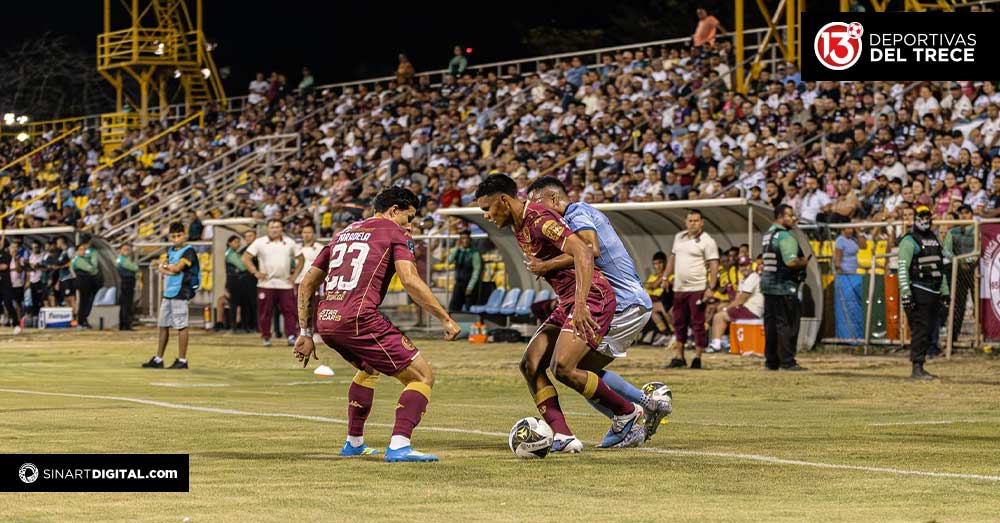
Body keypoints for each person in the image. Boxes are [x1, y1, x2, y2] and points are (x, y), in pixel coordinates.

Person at [476, 173, 644, 452]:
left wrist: (579, 304)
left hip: (591, 296)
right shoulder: (518, 227)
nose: (486, 216)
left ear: (504, 201)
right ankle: (563, 436)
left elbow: (585, 252)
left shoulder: (540, 218)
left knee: (563, 368)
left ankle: (627, 412)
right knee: (530, 364)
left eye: (487, 208)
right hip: (568, 300)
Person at [294, 187, 461, 462]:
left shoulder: (342, 233)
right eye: (409, 218)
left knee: (370, 368)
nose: (411, 226)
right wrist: (445, 318)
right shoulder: (394, 232)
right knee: (421, 376)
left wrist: (304, 333)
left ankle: (354, 443)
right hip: (359, 318)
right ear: (394, 210)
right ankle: (399, 445)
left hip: (327, 321)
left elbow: (307, 283)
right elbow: (409, 280)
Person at [526, 176, 672, 442]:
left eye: (539, 203)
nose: (537, 210)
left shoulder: (576, 214)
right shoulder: (579, 214)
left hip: (625, 302)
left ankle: (636, 411)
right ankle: (637, 410)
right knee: (575, 369)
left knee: (569, 368)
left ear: (555, 198)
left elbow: (589, 249)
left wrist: (546, 265)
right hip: (630, 301)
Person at [664, 209, 719, 369]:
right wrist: (665, 277)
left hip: (697, 288)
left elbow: (714, 264)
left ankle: (697, 357)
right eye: (690, 220)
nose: (692, 223)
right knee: (678, 322)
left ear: (702, 223)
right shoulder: (679, 237)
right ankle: (679, 356)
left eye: (696, 220)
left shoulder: (707, 241)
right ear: (685, 222)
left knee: (697, 323)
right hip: (679, 288)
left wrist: (711, 287)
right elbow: (672, 257)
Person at [899, 206, 950, 379]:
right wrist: (906, 293)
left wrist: (945, 292)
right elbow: (902, 268)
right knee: (920, 330)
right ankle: (917, 366)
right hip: (918, 290)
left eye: (927, 215)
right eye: (921, 216)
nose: (925, 219)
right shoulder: (909, 240)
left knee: (929, 331)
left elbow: (940, 267)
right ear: (915, 218)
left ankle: (920, 365)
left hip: (934, 291)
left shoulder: (935, 239)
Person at [761, 204, 811, 371]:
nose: (794, 218)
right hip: (784, 287)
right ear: (781, 217)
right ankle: (787, 361)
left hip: (768, 287)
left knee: (771, 325)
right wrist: (803, 262)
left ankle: (771, 361)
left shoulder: (768, 234)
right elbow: (790, 261)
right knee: (787, 325)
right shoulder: (785, 236)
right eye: (790, 215)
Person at [143, 222, 200, 369]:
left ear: (185, 234)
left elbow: (176, 268)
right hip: (168, 292)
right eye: (173, 236)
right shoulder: (170, 250)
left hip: (181, 291)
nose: (175, 239)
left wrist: (167, 268)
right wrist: (169, 269)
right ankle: (158, 359)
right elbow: (167, 268)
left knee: (181, 326)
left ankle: (182, 360)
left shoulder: (189, 251)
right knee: (163, 325)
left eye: (178, 235)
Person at [243, 219, 302, 347]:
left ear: (282, 229)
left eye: (277, 227)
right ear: (267, 229)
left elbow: (301, 259)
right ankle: (266, 337)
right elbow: (246, 257)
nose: (274, 229)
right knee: (265, 312)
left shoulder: (290, 242)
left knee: (290, 311)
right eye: (272, 227)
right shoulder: (260, 242)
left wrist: (294, 276)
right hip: (266, 284)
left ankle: (291, 336)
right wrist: (255, 272)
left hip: (285, 284)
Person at [709, 256, 763, 352]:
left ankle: (716, 344)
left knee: (719, 316)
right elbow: (737, 298)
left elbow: (741, 300)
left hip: (752, 311)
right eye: (741, 266)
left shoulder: (753, 277)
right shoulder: (743, 280)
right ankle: (726, 342)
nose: (744, 268)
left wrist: (727, 309)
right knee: (722, 308)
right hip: (746, 309)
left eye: (746, 265)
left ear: (751, 266)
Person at [942, 204, 976, 344]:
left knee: (979, 303)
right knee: (957, 304)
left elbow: (978, 250)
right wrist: (959, 261)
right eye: (961, 213)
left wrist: (964, 260)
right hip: (959, 271)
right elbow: (946, 250)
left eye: (966, 213)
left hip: (975, 270)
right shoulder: (952, 232)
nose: (963, 216)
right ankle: (953, 336)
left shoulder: (977, 229)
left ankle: (985, 334)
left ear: (971, 215)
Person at [446, 230, 482, 312]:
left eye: (466, 238)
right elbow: (449, 261)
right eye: (462, 238)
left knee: (469, 307)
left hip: (469, 283)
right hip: (459, 283)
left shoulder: (474, 253)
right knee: (453, 307)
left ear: (470, 239)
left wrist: (470, 286)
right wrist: (456, 248)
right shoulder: (458, 251)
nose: (464, 241)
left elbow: (476, 270)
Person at [71, 233, 100, 329]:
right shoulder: (91, 252)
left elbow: (71, 267)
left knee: (82, 300)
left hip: (80, 278)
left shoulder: (78, 252)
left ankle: (82, 320)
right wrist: (91, 269)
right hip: (87, 278)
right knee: (86, 300)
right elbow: (94, 267)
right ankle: (82, 320)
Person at [644, 252, 673, 346]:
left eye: (660, 263)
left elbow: (654, 285)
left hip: (666, 302)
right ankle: (666, 334)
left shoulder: (669, 275)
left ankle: (674, 333)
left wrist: (653, 285)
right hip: (652, 301)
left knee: (663, 307)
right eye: (655, 264)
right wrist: (652, 285)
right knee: (652, 310)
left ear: (665, 263)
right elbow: (646, 285)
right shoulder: (652, 276)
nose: (657, 266)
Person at [0, 238, 21, 334]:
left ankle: (16, 324)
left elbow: (4, 266)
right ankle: (2, 315)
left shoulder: (6, 255)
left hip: (5, 284)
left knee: (8, 304)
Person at [116, 244, 139, 331]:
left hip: (126, 282)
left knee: (125, 304)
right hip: (127, 282)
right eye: (124, 249)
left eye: (128, 250)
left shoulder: (123, 259)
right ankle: (126, 324)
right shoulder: (123, 260)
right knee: (126, 304)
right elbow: (134, 267)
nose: (127, 251)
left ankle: (123, 324)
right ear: (120, 250)